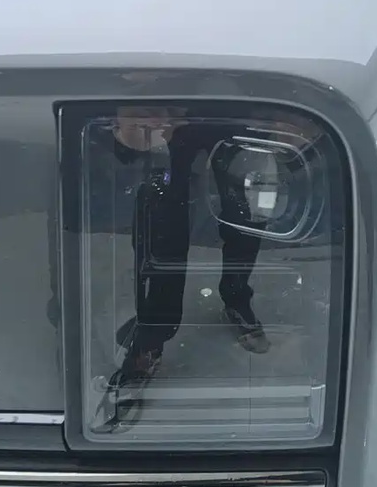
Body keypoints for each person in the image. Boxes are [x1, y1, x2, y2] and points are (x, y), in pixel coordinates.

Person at [107, 104, 271, 389]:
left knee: (244, 214)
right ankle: (152, 337)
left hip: (234, 104)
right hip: (170, 100)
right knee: (162, 227)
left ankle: (236, 299)